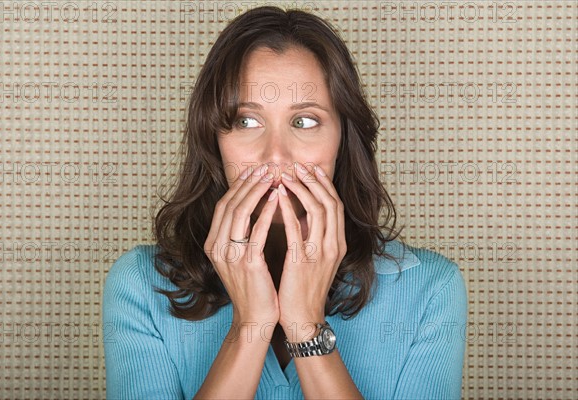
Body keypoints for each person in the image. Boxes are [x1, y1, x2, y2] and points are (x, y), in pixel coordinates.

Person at [103, 6, 467, 399]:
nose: (275, 156)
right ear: (214, 139)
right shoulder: (140, 285)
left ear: (343, 140)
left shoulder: (431, 290)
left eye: (305, 121)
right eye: (246, 121)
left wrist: (305, 326)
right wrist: (250, 326)